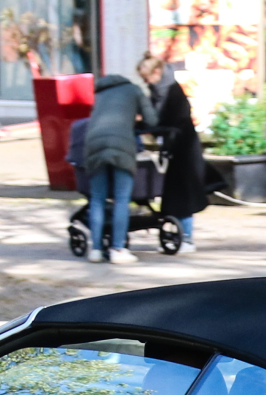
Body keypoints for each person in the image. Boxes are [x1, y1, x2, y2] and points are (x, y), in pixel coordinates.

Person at [68, 69, 154, 264]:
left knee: (97, 198)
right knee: (122, 199)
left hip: (93, 145)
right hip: (121, 145)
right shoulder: (134, 90)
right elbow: (152, 119)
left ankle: (96, 250)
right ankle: (117, 249)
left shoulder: (100, 93)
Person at [138, 54, 211, 255]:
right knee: (175, 195)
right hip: (175, 147)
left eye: (146, 77)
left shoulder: (171, 90)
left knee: (183, 194)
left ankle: (186, 238)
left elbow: (174, 120)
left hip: (184, 148)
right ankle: (180, 235)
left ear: (157, 72)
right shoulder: (159, 90)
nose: (145, 82)